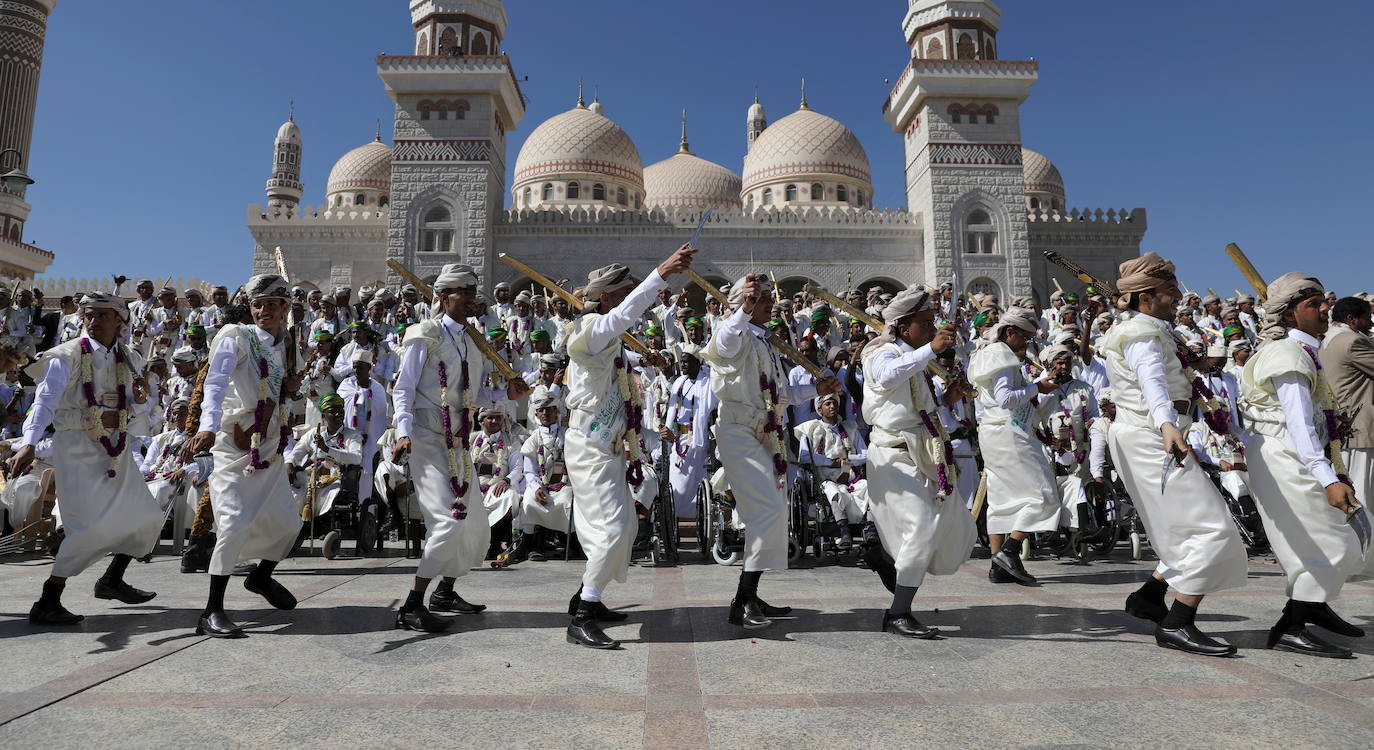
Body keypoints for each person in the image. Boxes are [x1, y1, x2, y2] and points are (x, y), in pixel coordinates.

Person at [1100, 253, 1248, 657]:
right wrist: (1167, 426)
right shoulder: (1142, 335)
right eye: (1170, 291)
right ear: (1146, 298)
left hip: (1153, 433)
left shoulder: (1150, 328)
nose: (1179, 296)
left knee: (1181, 526)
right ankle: (1179, 623)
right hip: (1153, 435)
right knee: (1210, 527)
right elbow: (1152, 385)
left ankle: (1150, 596)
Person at [563, 245, 695, 649]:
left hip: (613, 445)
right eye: (624, 292)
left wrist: (643, 363)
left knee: (628, 525)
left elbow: (610, 371)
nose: (627, 300)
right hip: (591, 443)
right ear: (606, 297)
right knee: (612, 528)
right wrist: (661, 274)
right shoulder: (589, 330)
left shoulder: (609, 338)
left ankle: (589, 595)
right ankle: (583, 612)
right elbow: (621, 318)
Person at [8, 294, 163, 625]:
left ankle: (112, 579)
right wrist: (30, 442)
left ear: (119, 320)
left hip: (116, 448)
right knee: (87, 528)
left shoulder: (130, 358)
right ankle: (48, 600)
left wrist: (137, 402)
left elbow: (137, 410)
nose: (95, 321)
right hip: (76, 446)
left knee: (146, 515)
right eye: (89, 315)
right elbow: (44, 402)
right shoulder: (66, 356)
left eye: (104, 315)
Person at [703, 273, 840, 631]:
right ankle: (742, 599)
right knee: (764, 508)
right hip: (738, 431)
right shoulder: (731, 331)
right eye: (758, 297)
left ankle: (749, 596)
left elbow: (779, 396)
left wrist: (815, 388)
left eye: (765, 297)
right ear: (742, 302)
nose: (767, 302)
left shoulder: (765, 341)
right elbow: (726, 344)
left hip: (768, 432)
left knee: (773, 511)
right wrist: (742, 310)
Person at [1238, 274, 1364, 658]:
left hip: (1295, 455)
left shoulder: (1304, 351)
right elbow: (1299, 428)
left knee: (1325, 540)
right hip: (1286, 456)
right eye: (1312, 304)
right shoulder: (1288, 357)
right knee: (1335, 541)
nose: (1326, 307)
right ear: (1290, 315)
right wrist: (1328, 478)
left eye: (1324, 300)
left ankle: (1310, 610)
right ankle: (1292, 626)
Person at [182, 274, 307, 639]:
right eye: (258, 304)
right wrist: (206, 426)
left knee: (287, 525)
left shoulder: (288, 346)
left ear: (286, 308)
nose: (264, 311)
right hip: (237, 444)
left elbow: (286, 391)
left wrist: (293, 387)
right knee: (233, 523)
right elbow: (215, 383)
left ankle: (261, 577)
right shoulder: (235, 336)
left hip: (270, 444)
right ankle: (212, 610)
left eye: (272, 304)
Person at [968, 307, 1061, 586]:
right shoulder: (1003, 357)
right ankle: (1009, 551)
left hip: (993, 432)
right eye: (1026, 338)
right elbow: (1006, 398)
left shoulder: (987, 353)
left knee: (1001, 498)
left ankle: (998, 566)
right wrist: (1039, 388)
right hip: (1010, 433)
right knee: (1044, 494)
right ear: (1010, 333)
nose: (1028, 345)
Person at [1322, 296, 1374, 579]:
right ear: (1353, 319)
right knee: (1363, 496)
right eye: (1367, 317)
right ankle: (1359, 560)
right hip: (1363, 427)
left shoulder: (1328, 339)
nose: (1370, 322)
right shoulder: (1353, 341)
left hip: (1345, 428)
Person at [795, 392, 868, 549]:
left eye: (834, 403)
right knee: (834, 491)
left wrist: (846, 463)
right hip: (825, 479)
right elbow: (805, 457)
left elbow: (865, 454)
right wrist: (831, 463)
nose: (832, 406)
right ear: (820, 409)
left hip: (849, 477)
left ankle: (870, 528)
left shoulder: (849, 428)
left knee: (866, 488)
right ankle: (844, 531)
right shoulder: (810, 429)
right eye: (828, 404)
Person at [516, 389, 573, 560]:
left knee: (566, 500)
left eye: (550, 409)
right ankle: (532, 546)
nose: (546, 413)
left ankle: (570, 543)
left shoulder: (567, 435)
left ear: (557, 412)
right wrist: (535, 488)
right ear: (536, 414)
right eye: (541, 410)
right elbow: (529, 470)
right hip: (541, 485)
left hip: (565, 484)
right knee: (529, 500)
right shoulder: (532, 439)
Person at [336, 349, 389, 506]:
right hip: (350, 437)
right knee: (346, 470)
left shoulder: (378, 389)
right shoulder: (346, 385)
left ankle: (365, 512)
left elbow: (380, 415)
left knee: (366, 473)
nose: (356, 371)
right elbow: (340, 406)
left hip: (369, 438)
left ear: (368, 368)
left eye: (359, 367)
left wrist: (365, 395)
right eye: (354, 367)